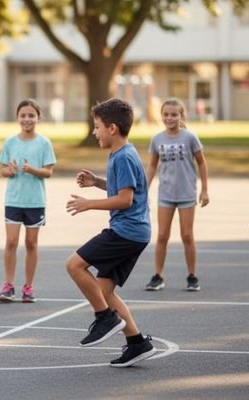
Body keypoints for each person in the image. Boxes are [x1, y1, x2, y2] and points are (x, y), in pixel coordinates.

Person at [65, 98, 156, 367]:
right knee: (104, 289)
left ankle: (105, 317)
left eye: (97, 127)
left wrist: (88, 204)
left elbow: (125, 200)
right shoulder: (120, 155)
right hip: (134, 232)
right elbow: (124, 189)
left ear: (112, 128)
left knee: (74, 265)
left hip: (127, 231)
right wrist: (97, 183)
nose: (94, 132)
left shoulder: (124, 157)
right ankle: (137, 343)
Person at [144, 98, 209, 292]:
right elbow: (153, 165)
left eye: (174, 115)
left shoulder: (189, 137)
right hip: (166, 192)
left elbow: (202, 163)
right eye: (166, 114)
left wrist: (204, 189)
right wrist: (143, 189)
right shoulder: (157, 139)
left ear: (182, 117)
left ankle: (191, 276)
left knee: (187, 235)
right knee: (162, 235)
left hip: (186, 192)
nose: (169, 118)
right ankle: (158, 275)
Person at [0, 99, 56, 303]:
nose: (27, 119)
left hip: (35, 202)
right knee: (11, 242)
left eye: (31, 115)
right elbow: (3, 170)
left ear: (38, 118)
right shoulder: (10, 142)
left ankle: (28, 287)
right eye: (23, 115)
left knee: (31, 243)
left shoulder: (44, 143)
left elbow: (48, 172)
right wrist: (9, 171)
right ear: (17, 118)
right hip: (14, 200)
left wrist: (32, 170)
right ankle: (8, 285)